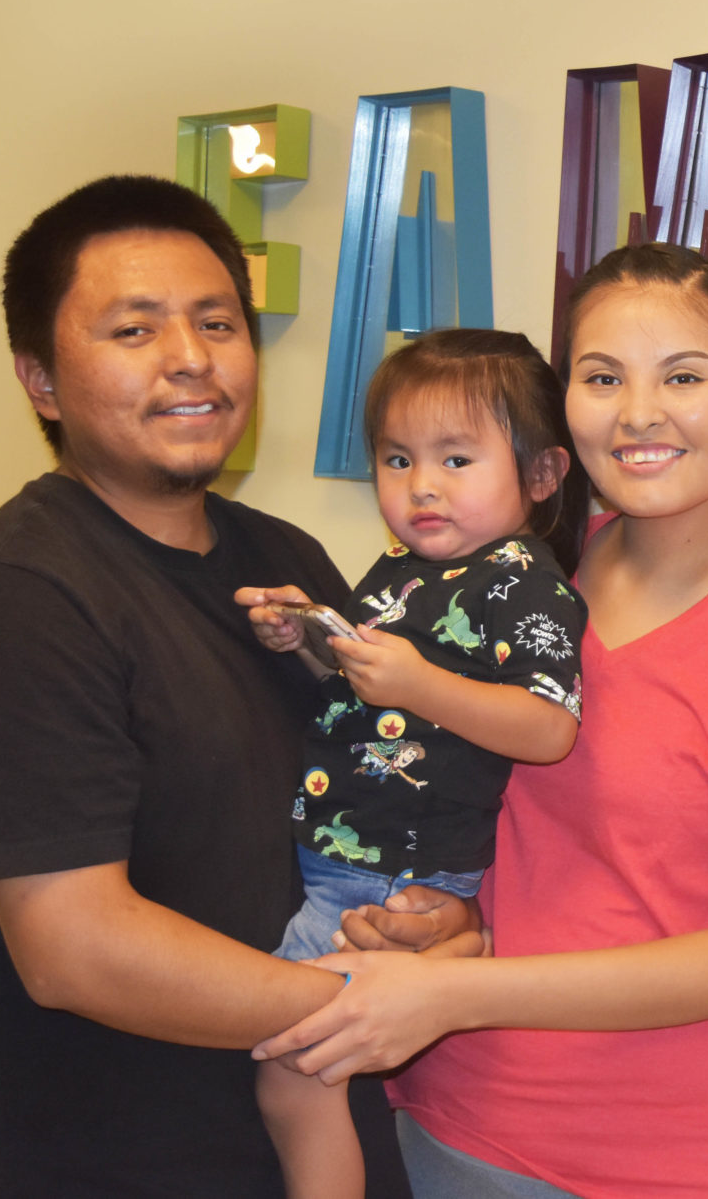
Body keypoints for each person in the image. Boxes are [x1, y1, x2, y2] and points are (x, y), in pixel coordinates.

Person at [253, 243, 708, 1198]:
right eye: (601, 378)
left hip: (644, 1160)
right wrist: (451, 922)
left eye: (683, 376)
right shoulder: (533, 570)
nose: (638, 414)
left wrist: (451, 991)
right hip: (438, 1112)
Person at [0, 175, 406, 1196]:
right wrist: (362, 1003)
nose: (190, 359)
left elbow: (373, 796)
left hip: (319, 1140)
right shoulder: (14, 600)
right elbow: (74, 947)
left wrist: (427, 929)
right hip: (118, 1158)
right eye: (134, 330)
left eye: (217, 322)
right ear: (40, 380)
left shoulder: (281, 555)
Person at [240, 329, 586, 1199]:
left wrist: (422, 682)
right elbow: (369, 686)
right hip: (341, 856)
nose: (421, 485)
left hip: (390, 876)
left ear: (540, 477)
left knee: (292, 1070)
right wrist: (308, 639)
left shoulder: (525, 584)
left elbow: (549, 728)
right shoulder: (401, 568)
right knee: (302, 1063)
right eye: (398, 459)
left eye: (457, 458)